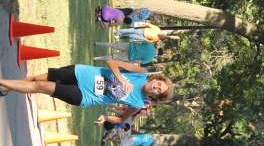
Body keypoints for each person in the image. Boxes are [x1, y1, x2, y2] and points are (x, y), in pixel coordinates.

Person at [0, 60, 174, 112]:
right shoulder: (140, 73)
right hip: (82, 73)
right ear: (155, 79)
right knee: (37, 78)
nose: (156, 87)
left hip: (84, 96)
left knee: (40, 86)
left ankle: (3, 84)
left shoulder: (137, 104)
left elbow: (122, 119)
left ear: (155, 96)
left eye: (159, 91)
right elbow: (111, 62)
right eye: (158, 84)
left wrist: (106, 118)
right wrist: (121, 79)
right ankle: (7, 87)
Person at [93, 40, 158, 64]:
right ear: (157, 55)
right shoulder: (150, 59)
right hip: (130, 56)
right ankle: (96, 58)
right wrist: (130, 61)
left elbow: (140, 42)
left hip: (130, 46)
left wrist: (132, 42)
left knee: (113, 45)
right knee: (113, 57)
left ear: (157, 49)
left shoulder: (151, 45)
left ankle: (97, 43)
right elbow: (138, 61)